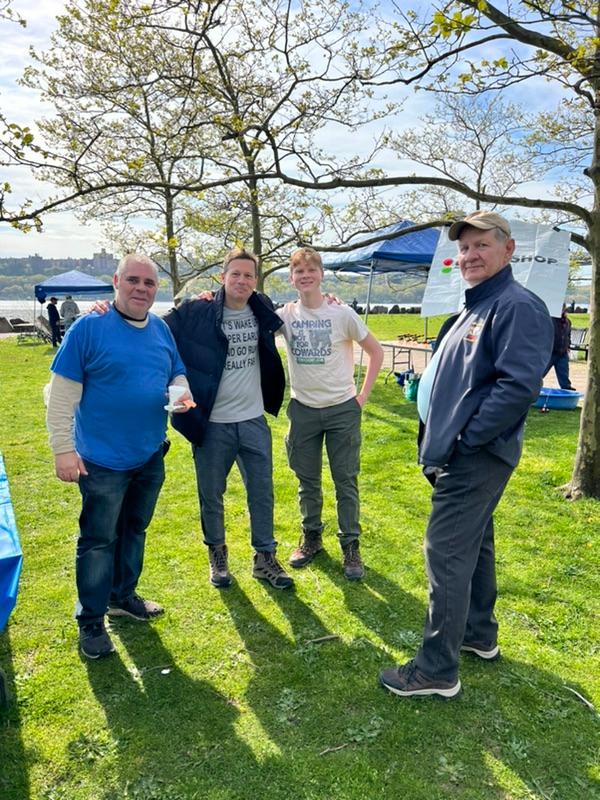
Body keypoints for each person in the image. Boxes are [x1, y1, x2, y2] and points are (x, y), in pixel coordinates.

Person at [380, 211, 553, 698]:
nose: (470, 255)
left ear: (508, 250)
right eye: (464, 248)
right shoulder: (477, 304)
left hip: (476, 454)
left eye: (481, 246)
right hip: (462, 450)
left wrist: (465, 440)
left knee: (446, 551)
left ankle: (436, 669)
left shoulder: (517, 305)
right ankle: (478, 633)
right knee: (475, 543)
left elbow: (517, 386)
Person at [46, 254, 191, 660]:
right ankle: (91, 619)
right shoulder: (88, 328)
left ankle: (122, 596)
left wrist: (181, 392)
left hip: (149, 455)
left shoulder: (160, 329)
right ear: (116, 281)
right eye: (133, 280)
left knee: (135, 530)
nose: (141, 288)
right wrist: (63, 450)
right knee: (98, 541)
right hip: (101, 463)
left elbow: (175, 371)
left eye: (149, 283)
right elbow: (61, 397)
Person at [164, 248, 294, 591]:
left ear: (255, 281)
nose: (242, 280)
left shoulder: (261, 307)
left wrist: (330, 299)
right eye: (235, 274)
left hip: (253, 420)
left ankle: (264, 557)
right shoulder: (199, 310)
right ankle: (217, 555)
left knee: (262, 493)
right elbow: (157, 329)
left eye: (248, 275)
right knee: (211, 494)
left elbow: (301, 309)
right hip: (212, 423)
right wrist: (109, 310)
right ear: (222, 277)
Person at [279, 248, 384, 580]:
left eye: (311, 270)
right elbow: (245, 313)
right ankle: (311, 538)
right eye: (299, 271)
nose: (305, 276)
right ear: (292, 278)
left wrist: (362, 397)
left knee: (345, 481)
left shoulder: (342, 314)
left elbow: (376, 352)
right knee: (307, 481)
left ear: (321, 274)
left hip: (342, 409)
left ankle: (351, 545)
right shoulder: (285, 315)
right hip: (303, 410)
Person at [545, 306, 574, 390]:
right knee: (540, 372)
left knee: (564, 375)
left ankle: (567, 390)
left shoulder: (568, 322)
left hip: (562, 353)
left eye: (563, 309)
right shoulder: (550, 320)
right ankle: (531, 388)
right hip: (550, 352)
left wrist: (568, 346)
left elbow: (568, 335)